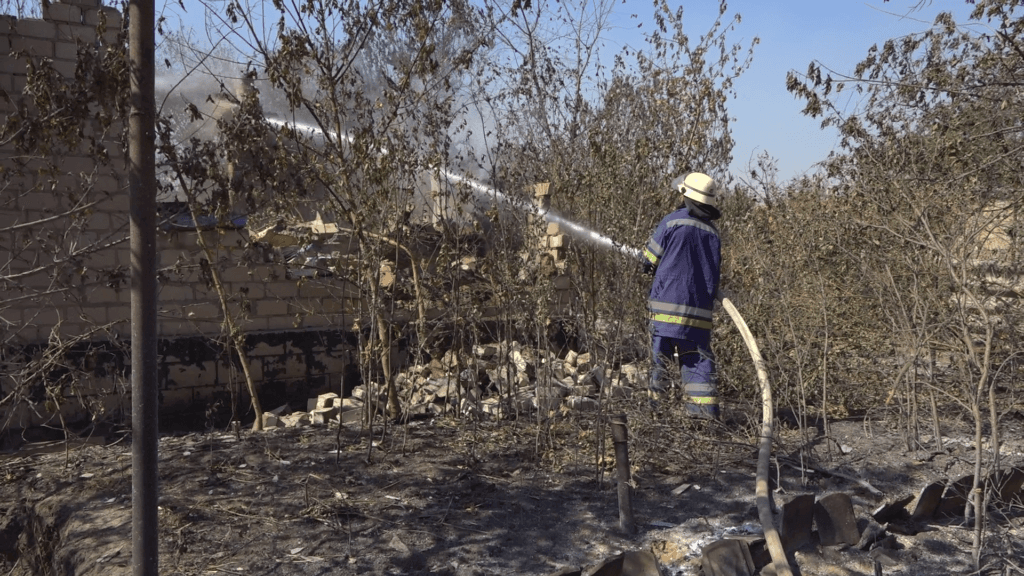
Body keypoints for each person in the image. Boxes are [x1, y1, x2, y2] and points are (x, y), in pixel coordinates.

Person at [641, 172, 722, 419]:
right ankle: (703, 417)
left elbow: (647, 261)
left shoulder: (671, 222)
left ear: (685, 195)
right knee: (698, 364)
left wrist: (646, 258)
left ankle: (657, 415)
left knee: (660, 365)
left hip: (665, 311)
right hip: (699, 314)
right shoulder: (713, 232)